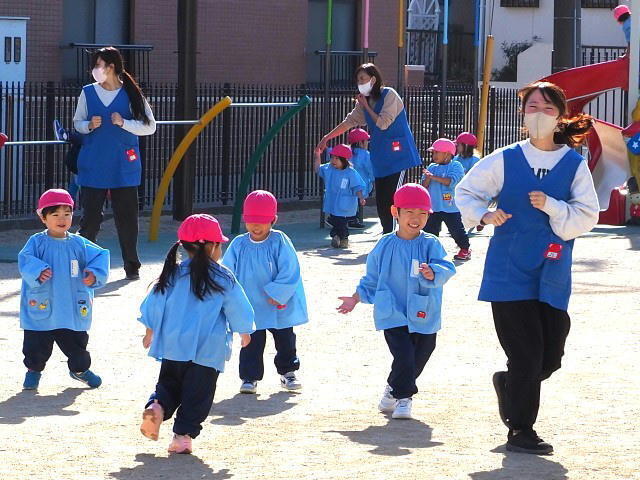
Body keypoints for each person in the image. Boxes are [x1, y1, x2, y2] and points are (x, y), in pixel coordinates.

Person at [455, 81, 600, 455]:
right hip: (508, 270)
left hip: (552, 272)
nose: (539, 114)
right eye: (532, 107)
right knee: (526, 355)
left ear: (560, 116)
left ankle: (508, 384)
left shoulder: (574, 164)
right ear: (523, 114)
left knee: (549, 358)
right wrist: (484, 215)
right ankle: (521, 430)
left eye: (547, 108)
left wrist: (553, 205)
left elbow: (587, 215)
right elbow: (466, 192)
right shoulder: (505, 158)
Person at [337, 184, 456, 420]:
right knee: (404, 355)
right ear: (395, 212)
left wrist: (434, 272)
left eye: (422, 213)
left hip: (424, 310)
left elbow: (446, 266)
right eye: (410, 212)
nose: (416, 218)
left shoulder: (431, 243)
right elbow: (371, 277)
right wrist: (356, 298)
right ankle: (404, 398)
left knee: (421, 354)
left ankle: (393, 388)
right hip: (391, 310)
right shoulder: (384, 244)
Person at [138, 214, 255, 455]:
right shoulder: (223, 277)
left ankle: (157, 406)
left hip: (173, 346)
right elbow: (238, 306)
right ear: (212, 246)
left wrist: (150, 329)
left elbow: (153, 304)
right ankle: (182, 436)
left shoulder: (172, 274)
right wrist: (244, 330)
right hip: (207, 351)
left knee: (169, 385)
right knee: (197, 395)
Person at [73, 46, 156, 280]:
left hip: (124, 166)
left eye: (99, 65)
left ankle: (132, 265)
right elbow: (77, 122)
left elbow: (150, 126)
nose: (95, 70)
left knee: (127, 218)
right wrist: (88, 125)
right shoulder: (87, 92)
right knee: (90, 219)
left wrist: (124, 123)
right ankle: (84, 265)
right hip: (94, 163)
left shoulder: (131, 93)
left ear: (111, 67)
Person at [18, 189, 110, 391]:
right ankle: (33, 370)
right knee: (36, 344)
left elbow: (101, 255)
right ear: (43, 217)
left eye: (67, 214)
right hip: (43, 304)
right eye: (55, 214)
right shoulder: (36, 242)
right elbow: (25, 259)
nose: (62, 219)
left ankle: (79, 370)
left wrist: (94, 273)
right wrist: (38, 271)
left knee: (77, 343)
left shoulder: (79, 243)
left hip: (71, 307)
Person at [316, 63, 421, 234]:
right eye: (358, 80)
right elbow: (349, 122)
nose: (360, 83)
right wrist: (327, 137)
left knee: (392, 199)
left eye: (363, 79)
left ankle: (394, 235)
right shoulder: (365, 102)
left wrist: (365, 106)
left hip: (398, 156)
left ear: (373, 79)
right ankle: (388, 233)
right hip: (380, 157)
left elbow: (383, 124)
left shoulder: (389, 95)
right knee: (381, 202)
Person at [222, 190, 308, 394]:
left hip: (278, 304)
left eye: (262, 221)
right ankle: (249, 377)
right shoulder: (239, 244)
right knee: (251, 342)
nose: (256, 226)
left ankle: (288, 372)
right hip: (250, 304)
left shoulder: (280, 241)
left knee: (285, 339)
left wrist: (277, 293)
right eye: (251, 221)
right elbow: (227, 273)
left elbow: (290, 269)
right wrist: (230, 300)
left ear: (274, 220)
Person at [422, 138, 471, 261]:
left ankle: (465, 248)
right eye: (433, 153)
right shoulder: (432, 167)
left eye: (437, 152)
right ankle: (431, 252)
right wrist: (427, 179)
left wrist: (432, 177)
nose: (434, 155)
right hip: (433, 207)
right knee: (429, 231)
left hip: (451, 207)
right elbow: (424, 186)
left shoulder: (456, 165)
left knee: (456, 230)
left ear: (447, 154)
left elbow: (451, 181)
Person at [314, 144, 366, 249]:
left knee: (340, 221)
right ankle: (340, 237)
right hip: (333, 202)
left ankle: (338, 236)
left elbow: (357, 186)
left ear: (344, 160)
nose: (333, 160)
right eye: (332, 157)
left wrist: (361, 197)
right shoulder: (329, 168)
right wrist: (317, 156)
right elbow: (318, 170)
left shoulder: (351, 172)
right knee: (334, 219)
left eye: (336, 158)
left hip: (344, 204)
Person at [347, 128, 375, 229]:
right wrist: (373, 180)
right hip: (361, 184)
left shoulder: (347, 152)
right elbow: (371, 170)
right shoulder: (365, 155)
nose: (368, 143)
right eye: (366, 140)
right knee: (359, 199)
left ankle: (343, 217)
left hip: (346, 184)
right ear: (361, 142)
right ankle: (353, 219)